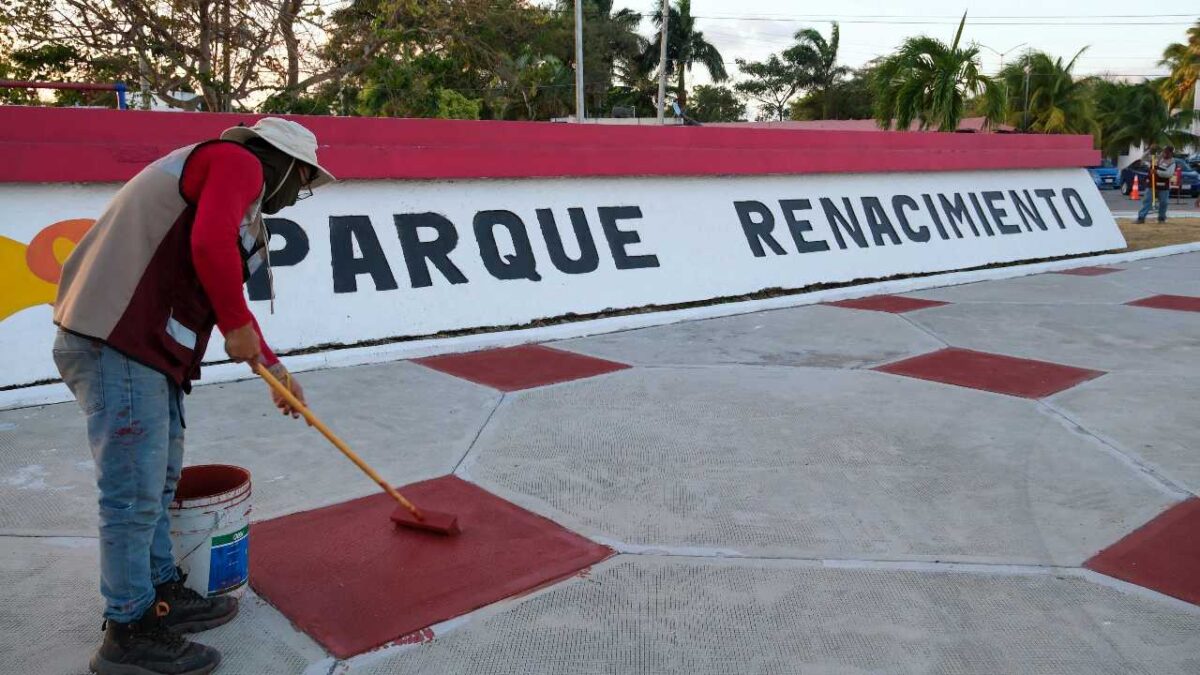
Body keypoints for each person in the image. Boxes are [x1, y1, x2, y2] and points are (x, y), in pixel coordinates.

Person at [52, 117, 334, 675]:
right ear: (287, 164)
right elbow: (210, 247)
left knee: (155, 484)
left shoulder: (214, 172)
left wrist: (272, 367)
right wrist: (237, 328)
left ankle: (161, 593)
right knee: (132, 496)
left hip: (138, 348)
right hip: (118, 343)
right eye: (303, 182)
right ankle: (128, 633)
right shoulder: (239, 162)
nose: (298, 195)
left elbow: (218, 276)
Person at [1135, 145, 1182, 224]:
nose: (1165, 154)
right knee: (1147, 201)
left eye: (1167, 152)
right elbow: (1143, 158)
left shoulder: (1172, 162)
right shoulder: (1156, 158)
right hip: (1152, 184)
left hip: (1164, 186)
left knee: (1164, 203)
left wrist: (1156, 172)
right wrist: (1150, 150)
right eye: (1164, 152)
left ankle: (1161, 218)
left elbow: (1169, 174)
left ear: (1171, 153)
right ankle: (1141, 218)